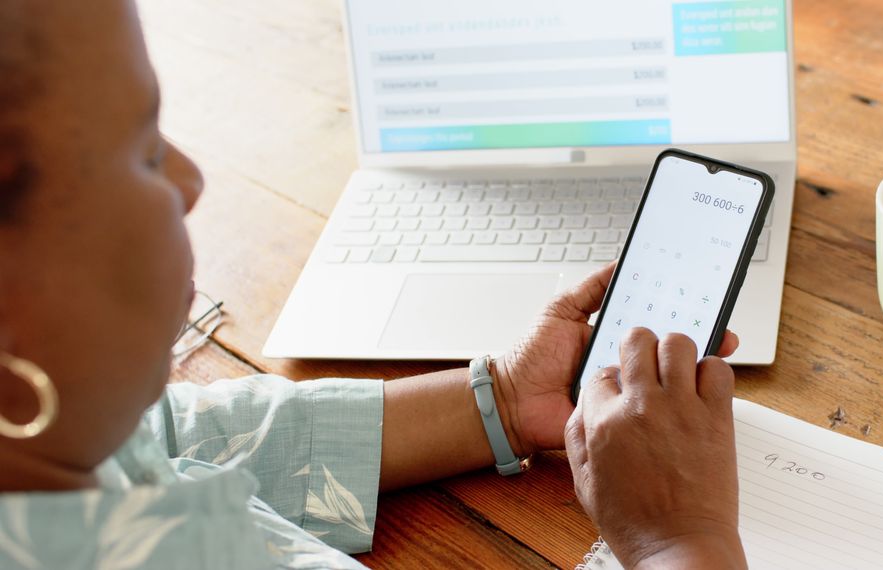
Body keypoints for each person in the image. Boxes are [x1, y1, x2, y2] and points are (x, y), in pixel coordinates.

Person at [0, 1, 747, 568]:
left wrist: (504, 401)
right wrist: (677, 539)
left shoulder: (55, 450)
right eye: (141, 151)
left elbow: (166, 442)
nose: (191, 179)